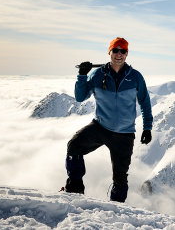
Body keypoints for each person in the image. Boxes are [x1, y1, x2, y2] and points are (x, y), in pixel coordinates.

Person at [63, 37, 153, 203]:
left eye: (123, 51)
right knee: (73, 146)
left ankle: (115, 209)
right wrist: (82, 75)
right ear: (109, 52)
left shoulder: (135, 77)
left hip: (124, 134)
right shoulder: (97, 74)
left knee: (120, 178)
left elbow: (145, 103)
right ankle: (75, 191)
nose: (119, 54)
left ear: (127, 54)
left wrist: (147, 128)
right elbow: (80, 97)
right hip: (100, 127)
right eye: (115, 50)